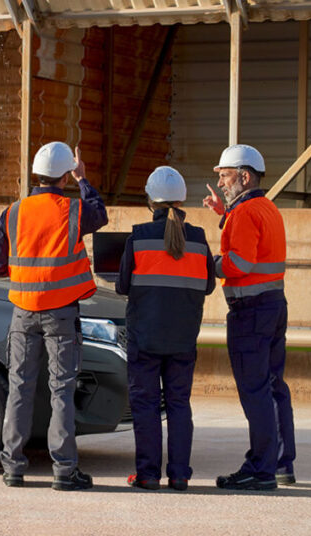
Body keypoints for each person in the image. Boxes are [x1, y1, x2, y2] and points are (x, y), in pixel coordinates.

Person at [0, 142, 108, 491]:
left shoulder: (13, 212)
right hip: (61, 315)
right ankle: (64, 470)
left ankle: (12, 467)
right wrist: (84, 179)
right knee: (61, 391)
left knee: (19, 388)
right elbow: (99, 214)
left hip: (23, 312)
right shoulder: (72, 209)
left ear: (36, 174)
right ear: (64, 176)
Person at [116, 166, 216, 491]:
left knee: (145, 405)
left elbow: (121, 286)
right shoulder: (199, 240)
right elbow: (209, 286)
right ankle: (180, 475)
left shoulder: (139, 236)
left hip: (144, 337)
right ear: (182, 200)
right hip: (183, 338)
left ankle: (147, 475)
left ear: (150, 200)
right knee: (178, 404)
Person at [202, 144, 295, 490]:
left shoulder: (243, 214)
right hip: (273, 307)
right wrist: (223, 213)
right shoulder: (267, 209)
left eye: (225, 176)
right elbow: (254, 242)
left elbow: (239, 263)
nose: (222, 184)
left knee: (254, 390)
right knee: (273, 387)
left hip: (250, 314)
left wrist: (207, 264)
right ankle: (282, 463)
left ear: (244, 176)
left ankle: (260, 468)